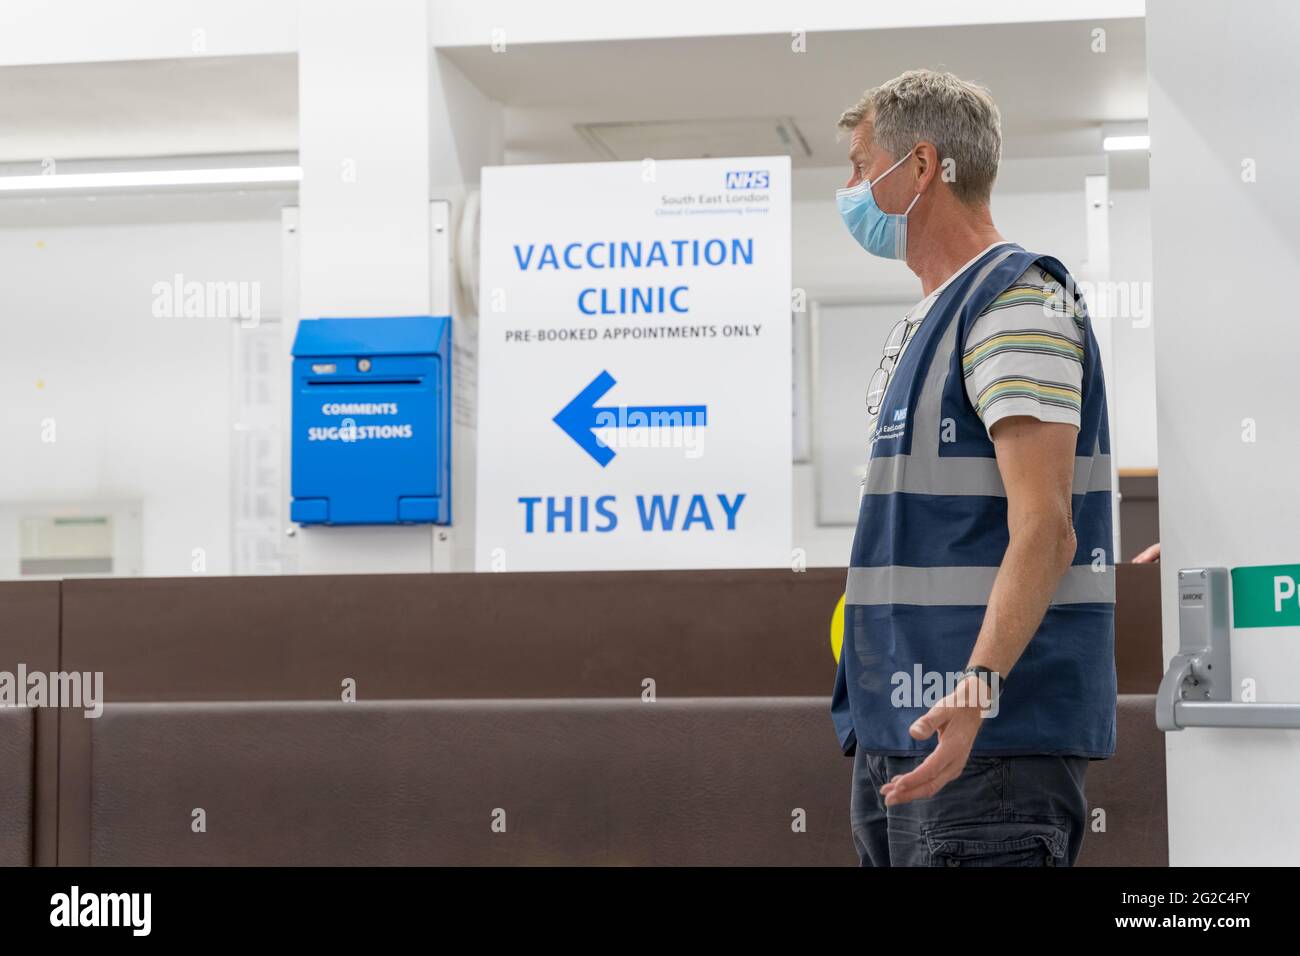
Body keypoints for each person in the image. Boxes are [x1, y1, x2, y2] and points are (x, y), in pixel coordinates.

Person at [829, 70, 1116, 867]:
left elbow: (1046, 529)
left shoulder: (1018, 300)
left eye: (861, 165)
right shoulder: (926, 321)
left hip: (991, 748)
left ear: (922, 168)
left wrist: (978, 686)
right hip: (907, 732)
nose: (849, 189)